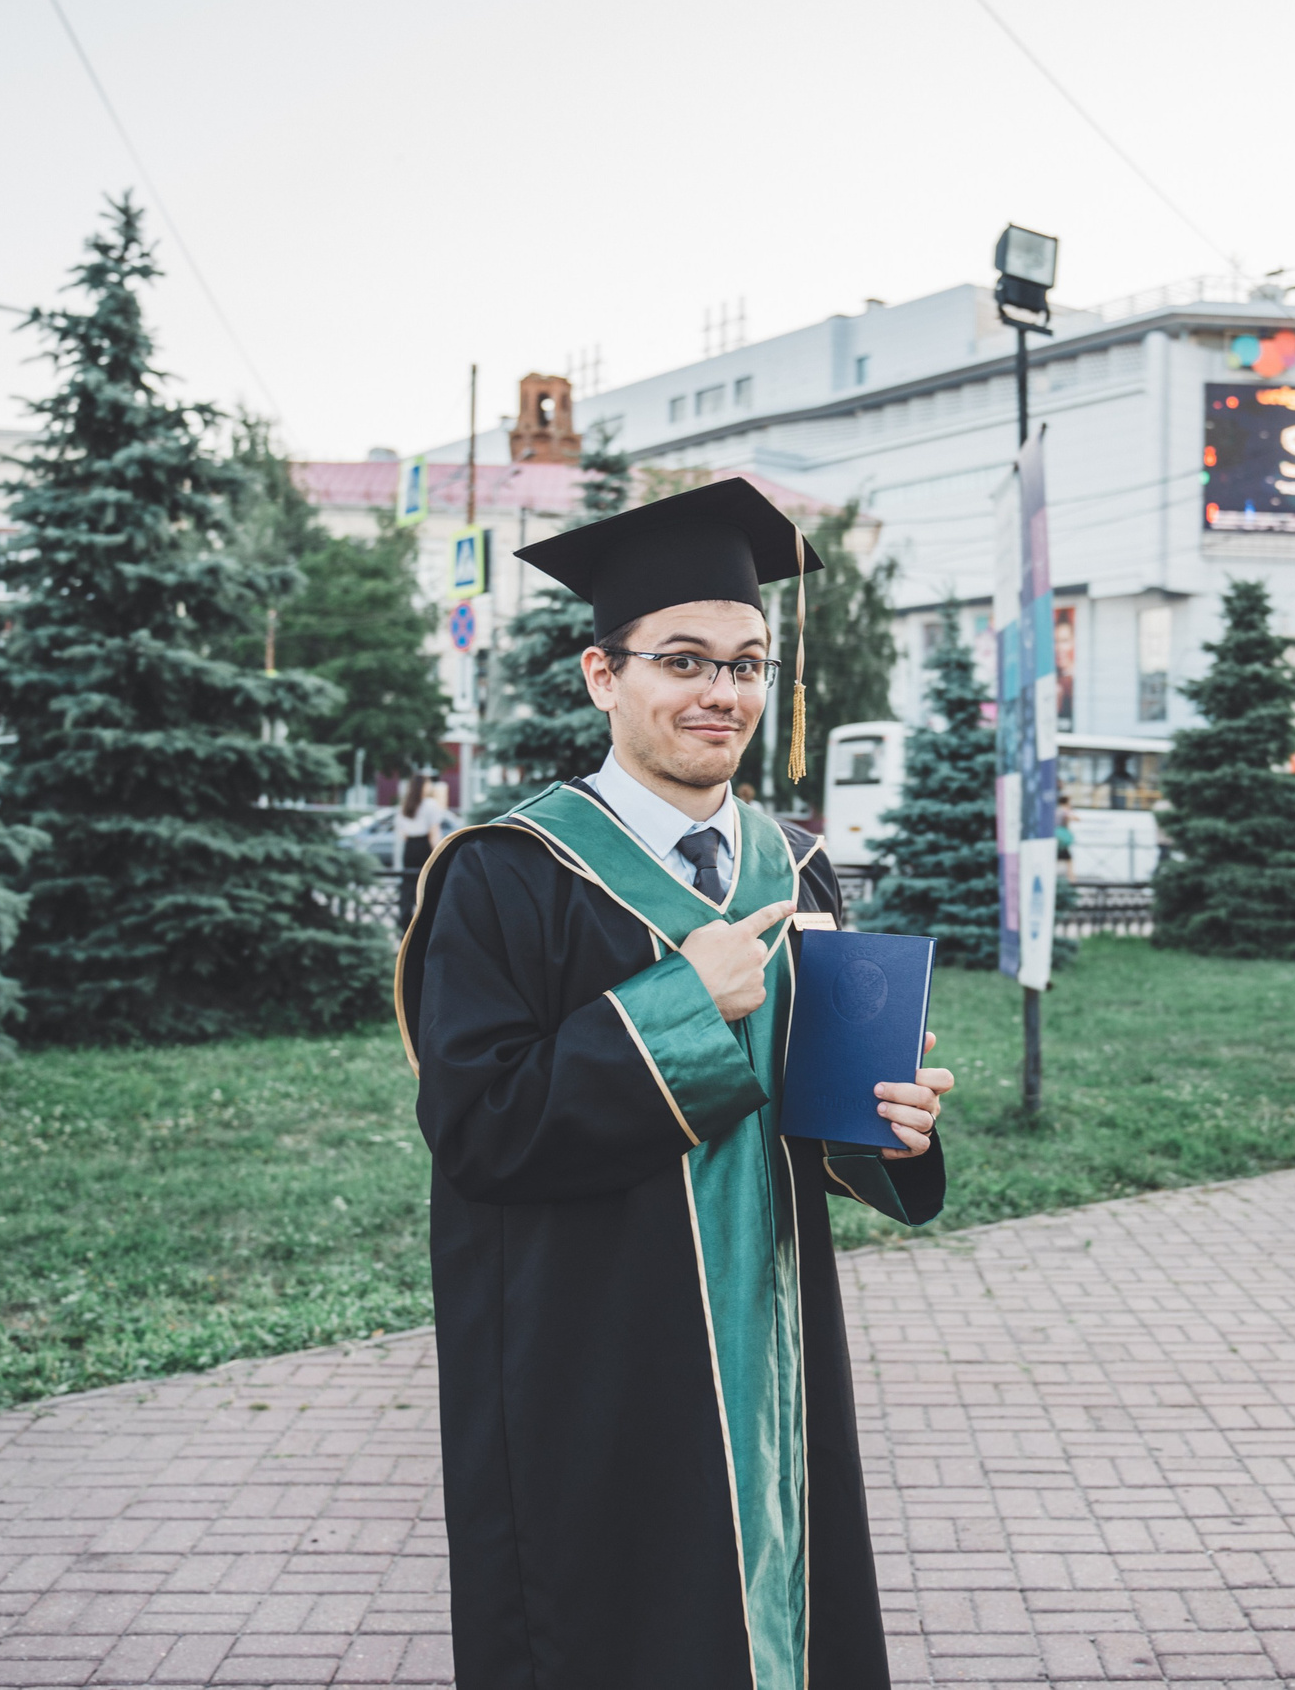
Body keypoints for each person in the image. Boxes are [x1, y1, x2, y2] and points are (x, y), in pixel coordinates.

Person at [399, 478, 952, 1688]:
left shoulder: (796, 866)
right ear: (604, 675)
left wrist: (892, 1136)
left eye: (748, 666)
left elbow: (816, 1121)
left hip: (775, 1342)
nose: (723, 694)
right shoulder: (506, 875)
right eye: (685, 661)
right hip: (594, 1356)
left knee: (783, 1621)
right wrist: (677, 1007)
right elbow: (480, 1131)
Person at [393, 774, 457, 924]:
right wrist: (440, 853)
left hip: (409, 848)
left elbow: (402, 833)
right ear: (423, 786)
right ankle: (425, 921)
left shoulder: (405, 804)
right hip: (423, 846)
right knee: (427, 883)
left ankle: (405, 922)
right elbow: (434, 833)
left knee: (409, 884)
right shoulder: (430, 804)